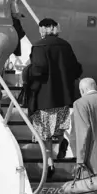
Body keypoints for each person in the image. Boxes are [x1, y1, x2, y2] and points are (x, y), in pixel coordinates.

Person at [26, 18, 82, 174]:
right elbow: (76, 69)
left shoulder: (39, 46)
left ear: (46, 28)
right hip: (64, 97)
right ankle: (62, 142)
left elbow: (38, 70)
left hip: (45, 97)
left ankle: (49, 163)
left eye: (41, 29)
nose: (40, 32)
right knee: (59, 127)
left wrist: (28, 72)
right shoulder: (66, 46)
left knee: (45, 133)